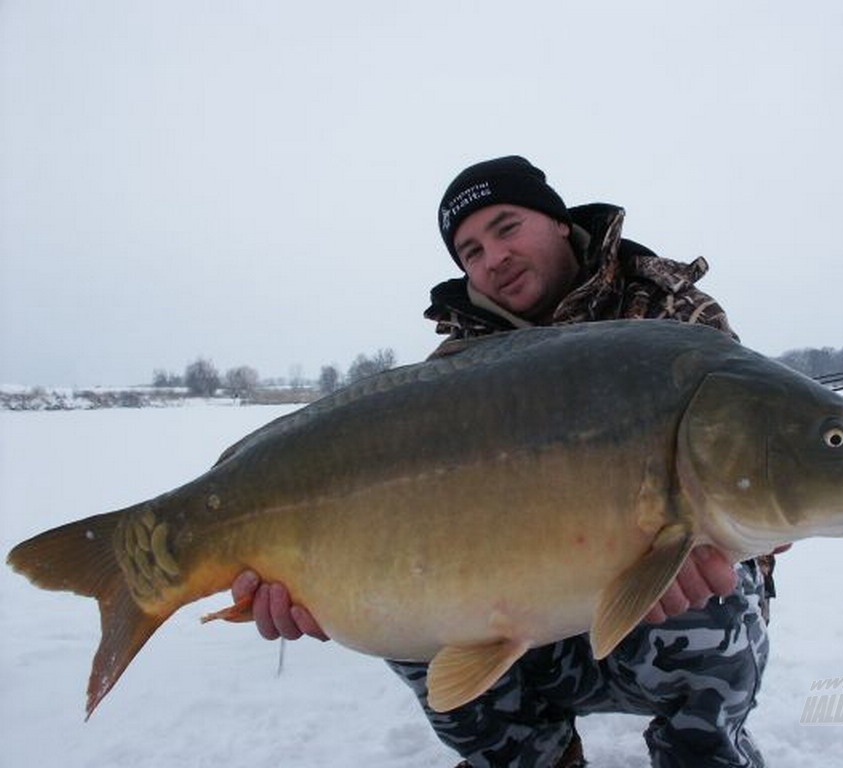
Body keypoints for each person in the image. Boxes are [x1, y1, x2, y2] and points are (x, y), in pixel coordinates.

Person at [232, 156, 774, 767]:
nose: (493, 257)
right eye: (470, 250)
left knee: (712, 580)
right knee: (407, 606)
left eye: (507, 227)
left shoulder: (673, 317)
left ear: (559, 223)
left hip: (659, 609)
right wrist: (325, 589)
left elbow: (765, 473)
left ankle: (703, 754)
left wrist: (731, 548)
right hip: (520, 623)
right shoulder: (454, 375)